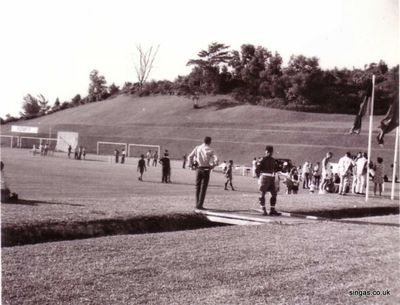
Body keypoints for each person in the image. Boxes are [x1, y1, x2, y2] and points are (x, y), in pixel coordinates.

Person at [188, 136, 218, 209]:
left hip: (198, 169)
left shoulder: (197, 148)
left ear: (203, 141)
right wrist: (212, 166)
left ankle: (197, 203)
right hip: (206, 169)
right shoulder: (210, 149)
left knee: (197, 187)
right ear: (209, 142)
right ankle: (200, 205)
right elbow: (216, 159)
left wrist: (191, 165)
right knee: (203, 188)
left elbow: (190, 156)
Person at [255, 145, 281, 216]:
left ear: (266, 151)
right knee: (271, 194)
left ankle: (268, 209)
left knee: (269, 194)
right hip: (269, 177)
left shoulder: (264, 159)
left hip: (267, 177)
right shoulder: (272, 160)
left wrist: (259, 177)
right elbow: (258, 169)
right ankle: (266, 209)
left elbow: (257, 169)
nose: (269, 153)